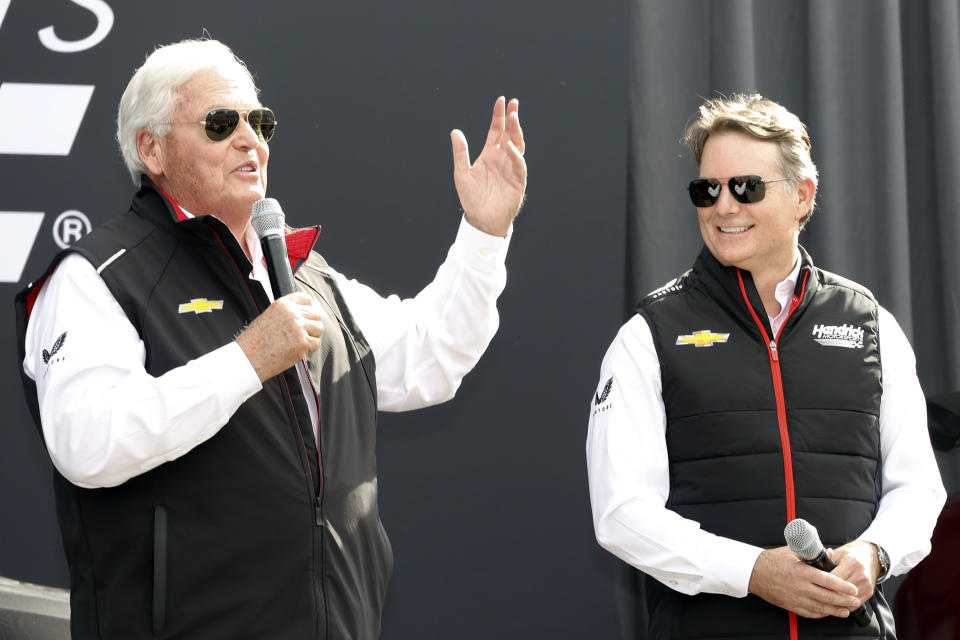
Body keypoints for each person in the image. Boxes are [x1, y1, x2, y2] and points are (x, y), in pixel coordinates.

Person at [15, 38, 526, 639]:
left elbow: (431, 358)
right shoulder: (98, 275)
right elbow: (87, 442)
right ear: (151, 148)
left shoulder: (305, 275)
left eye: (260, 122)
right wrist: (245, 360)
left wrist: (484, 236)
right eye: (221, 123)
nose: (250, 139)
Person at [586, 94, 945, 639]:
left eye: (747, 187)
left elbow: (918, 487)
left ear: (803, 196)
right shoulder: (649, 335)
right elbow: (622, 513)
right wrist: (753, 573)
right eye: (707, 190)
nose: (724, 206)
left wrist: (876, 552)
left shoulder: (871, 324)